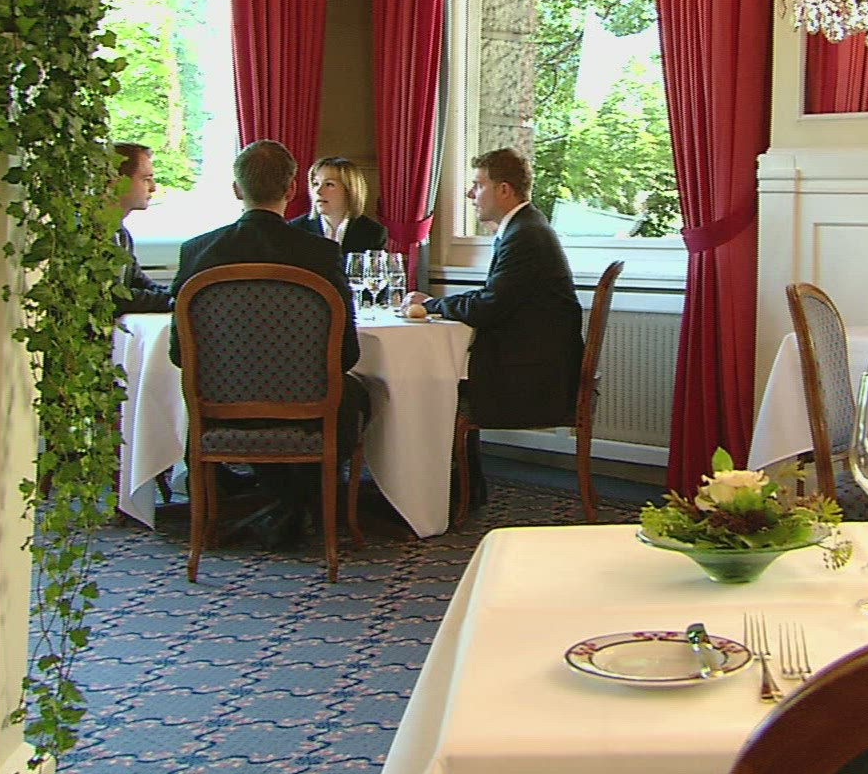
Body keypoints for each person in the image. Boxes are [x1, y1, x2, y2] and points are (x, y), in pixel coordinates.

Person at [168, 140, 366, 548]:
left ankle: (280, 501)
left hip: (220, 406)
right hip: (307, 408)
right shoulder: (320, 254)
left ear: (236, 189)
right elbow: (347, 354)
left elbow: (178, 354)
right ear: (292, 188)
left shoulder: (197, 252)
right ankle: (306, 503)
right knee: (356, 395)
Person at [401, 148, 582, 506]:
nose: (471, 194)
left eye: (478, 185)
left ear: (504, 190)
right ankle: (458, 489)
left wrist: (431, 305)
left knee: (427, 387)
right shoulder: (526, 227)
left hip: (535, 377)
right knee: (437, 378)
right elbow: (494, 297)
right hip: (536, 361)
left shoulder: (525, 235)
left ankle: (440, 494)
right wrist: (438, 303)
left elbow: (489, 307)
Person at [111, 142, 173, 315]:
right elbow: (112, 298)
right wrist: (176, 300)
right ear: (116, 181)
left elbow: (139, 282)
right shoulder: (89, 235)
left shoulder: (120, 233)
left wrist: (179, 294)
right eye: (146, 179)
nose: (153, 188)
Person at [287, 156, 390, 254]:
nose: (318, 191)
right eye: (316, 184)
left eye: (329, 184)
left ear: (350, 190)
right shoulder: (295, 230)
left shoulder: (373, 232)